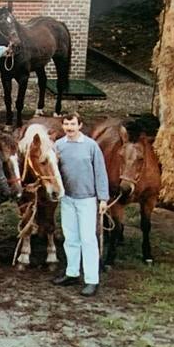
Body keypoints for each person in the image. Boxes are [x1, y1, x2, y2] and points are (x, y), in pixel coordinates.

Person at [52, 112, 110, 297]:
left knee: (88, 239)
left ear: (80, 125)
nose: (69, 127)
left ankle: (92, 280)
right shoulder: (58, 146)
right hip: (68, 198)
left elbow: (101, 172)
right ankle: (72, 272)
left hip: (87, 199)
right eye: (66, 124)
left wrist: (103, 198)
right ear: (63, 126)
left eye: (73, 124)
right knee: (70, 237)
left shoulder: (91, 146)